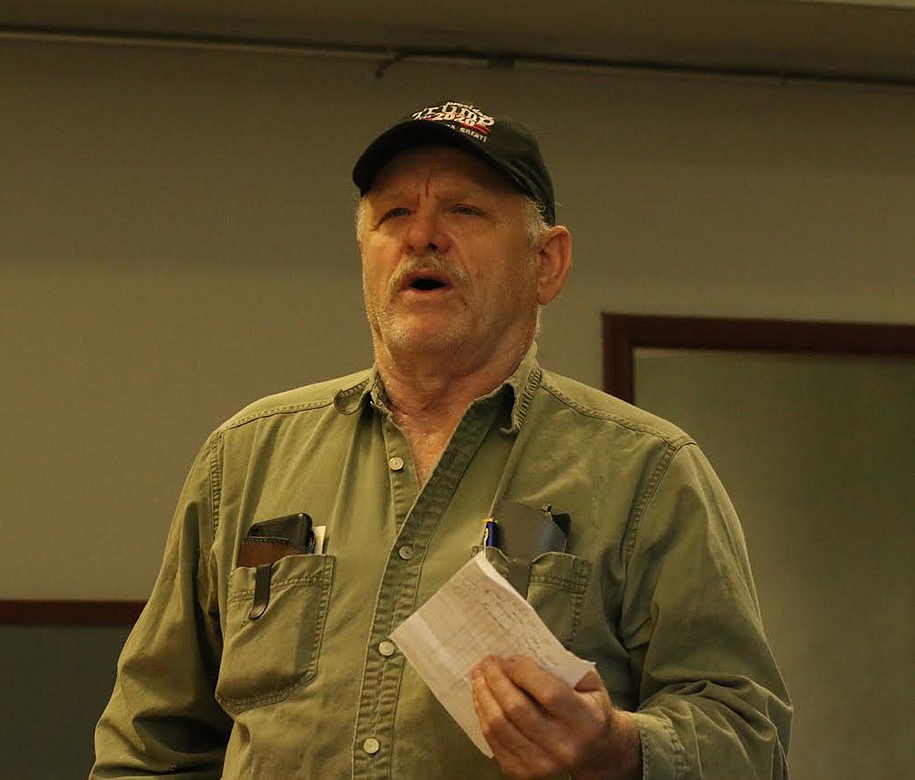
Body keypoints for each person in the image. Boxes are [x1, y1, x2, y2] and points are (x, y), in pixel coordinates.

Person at [91, 99, 791, 779]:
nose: (421, 235)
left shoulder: (647, 471)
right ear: (364, 254)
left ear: (546, 263)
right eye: (394, 213)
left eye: (463, 210)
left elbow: (748, 738)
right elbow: (149, 745)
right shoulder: (246, 458)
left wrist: (619, 749)